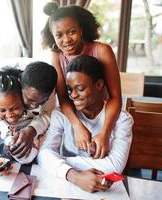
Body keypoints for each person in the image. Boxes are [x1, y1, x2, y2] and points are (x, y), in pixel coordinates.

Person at [37, 55, 133, 193]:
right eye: (70, 90)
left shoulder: (122, 120)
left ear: (99, 85)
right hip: (64, 187)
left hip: (103, 192)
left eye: (80, 88)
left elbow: (115, 166)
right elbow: (44, 154)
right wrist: (74, 176)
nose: (73, 95)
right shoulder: (60, 115)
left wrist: (60, 162)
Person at [41, 2, 122, 159]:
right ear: (53, 36)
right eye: (59, 35)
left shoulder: (102, 51)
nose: (66, 40)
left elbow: (115, 97)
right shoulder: (57, 56)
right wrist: (77, 125)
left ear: (81, 30)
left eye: (72, 32)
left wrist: (105, 132)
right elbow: (63, 98)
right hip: (74, 117)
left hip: (102, 116)